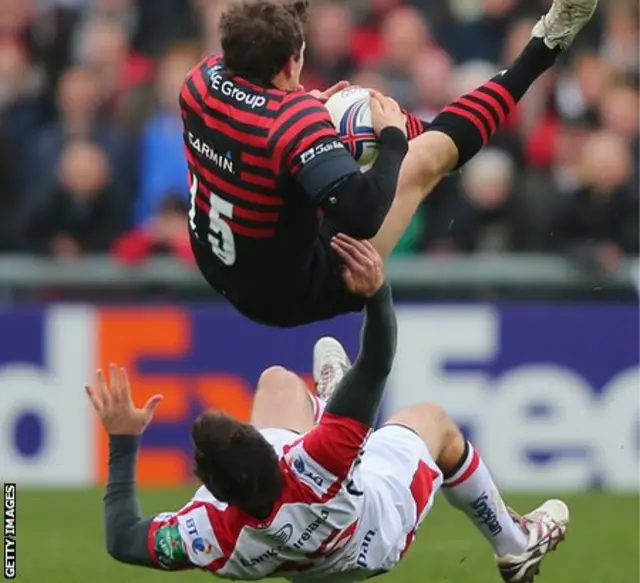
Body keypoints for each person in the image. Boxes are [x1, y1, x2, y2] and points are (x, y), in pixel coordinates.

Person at [89, 236, 568, 583]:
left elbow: (122, 538)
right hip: (374, 532)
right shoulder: (318, 460)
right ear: (276, 451)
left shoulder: (205, 531)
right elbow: (377, 361)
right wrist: (377, 292)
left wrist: (124, 437)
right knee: (434, 423)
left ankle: (330, 407)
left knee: (278, 380)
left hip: (293, 555)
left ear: (209, 487)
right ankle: (515, 544)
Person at [181, 0, 599, 328]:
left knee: (350, 139)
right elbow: (363, 216)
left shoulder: (199, 80)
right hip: (289, 293)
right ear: (291, 64)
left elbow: (254, 128)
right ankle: (547, 43)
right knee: (426, 158)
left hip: (215, 260)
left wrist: (305, 113)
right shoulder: (292, 123)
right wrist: (393, 135)